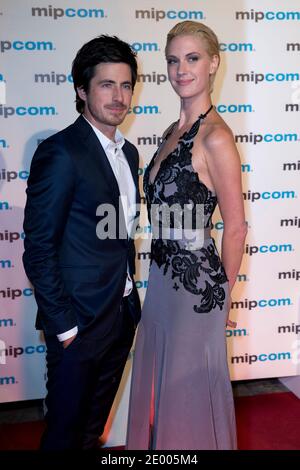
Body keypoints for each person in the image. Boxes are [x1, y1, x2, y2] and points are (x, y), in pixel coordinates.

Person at [126, 21, 247, 450]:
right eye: (174, 60)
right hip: (160, 283)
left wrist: (224, 297)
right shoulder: (167, 134)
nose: (182, 69)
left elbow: (235, 227)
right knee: (161, 391)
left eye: (192, 58)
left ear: (213, 63)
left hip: (198, 292)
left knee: (186, 396)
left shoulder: (216, 138)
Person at [23, 35, 141, 450]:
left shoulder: (129, 155)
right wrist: (65, 326)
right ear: (81, 90)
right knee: (64, 436)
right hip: (79, 323)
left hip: (120, 317)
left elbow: (119, 237)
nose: (118, 96)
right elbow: (38, 247)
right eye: (106, 84)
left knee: (92, 433)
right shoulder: (61, 153)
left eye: (125, 85)